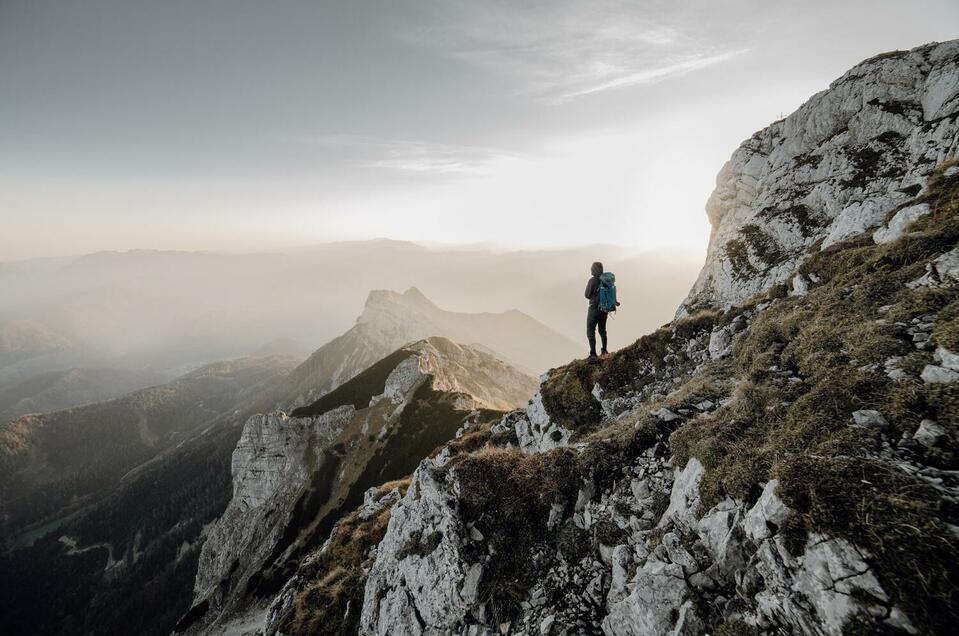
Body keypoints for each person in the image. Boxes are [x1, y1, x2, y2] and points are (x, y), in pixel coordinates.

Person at [584, 261, 613, 364]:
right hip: (604, 309)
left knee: (590, 331)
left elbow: (587, 295)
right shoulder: (606, 280)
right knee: (602, 330)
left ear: (594, 270)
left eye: (592, 268)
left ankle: (593, 354)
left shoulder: (592, 281)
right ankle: (604, 350)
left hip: (594, 309)